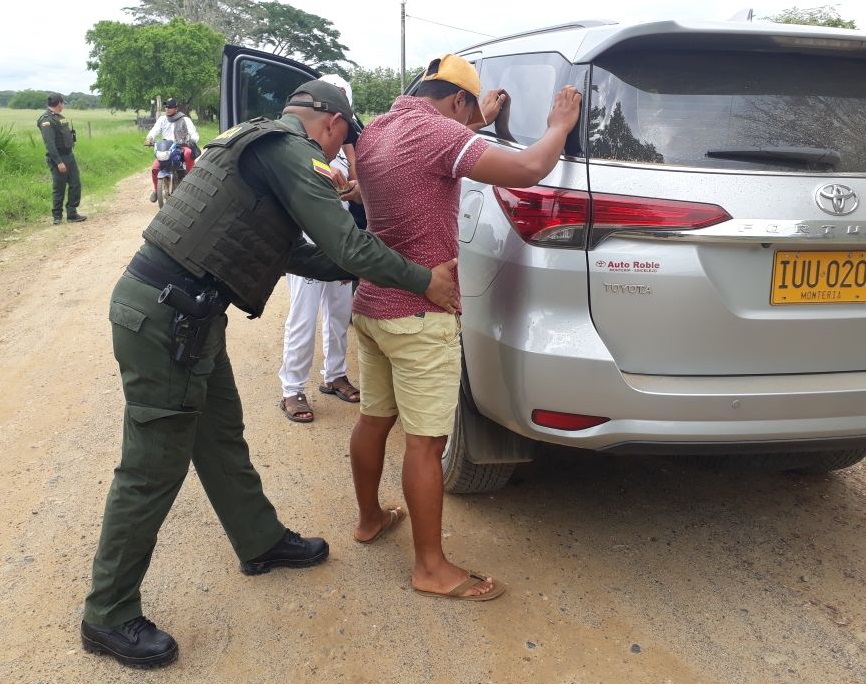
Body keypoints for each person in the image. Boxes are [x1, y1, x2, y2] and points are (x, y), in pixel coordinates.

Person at [80, 79, 459, 669]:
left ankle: (259, 540)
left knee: (220, 435)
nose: (338, 156)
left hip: (187, 316)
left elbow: (290, 253)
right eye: (342, 143)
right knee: (151, 468)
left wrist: (365, 272)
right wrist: (420, 278)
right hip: (165, 320)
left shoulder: (256, 142)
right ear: (331, 122)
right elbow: (348, 245)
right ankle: (108, 613)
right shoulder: (291, 152)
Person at [349, 54, 581, 601]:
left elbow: (441, 142)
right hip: (419, 315)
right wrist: (558, 127)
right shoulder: (436, 135)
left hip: (372, 305)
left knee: (373, 420)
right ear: (457, 101)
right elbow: (527, 170)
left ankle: (368, 519)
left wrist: (478, 121)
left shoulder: (383, 125)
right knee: (426, 444)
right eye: (468, 113)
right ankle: (430, 568)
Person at [278, 74, 362, 423]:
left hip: (339, 242)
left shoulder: (344, 144)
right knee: (303, 316)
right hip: (309, 245)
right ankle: (292, 389)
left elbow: (357, 182)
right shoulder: (296, 145)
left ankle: (334, 375)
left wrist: (352, 166)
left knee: (339, 313)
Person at [37, 92, 85, 225]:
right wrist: (59, 162)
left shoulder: (59, 117)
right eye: (63, 103)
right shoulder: (46, 120)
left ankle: (72, 213)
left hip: (69, 155)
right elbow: (50, 144)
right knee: (59, 187)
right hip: (58, 157)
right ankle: (57, 216)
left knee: (75, 184)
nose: (63, 105)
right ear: (59, 104)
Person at [144, 98, 199, 202]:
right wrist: (149, 139)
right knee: (155, 168)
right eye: (166, 107)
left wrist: (192, 140)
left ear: (176, 108)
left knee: (188, 153)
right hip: (167, 147)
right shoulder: (162, 119)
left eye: (170, 107)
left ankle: (191, 178)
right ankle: (156, 191)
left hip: (181, 145)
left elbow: (194, 133)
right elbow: (154, 131)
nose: (167, 109)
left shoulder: (185, 119)